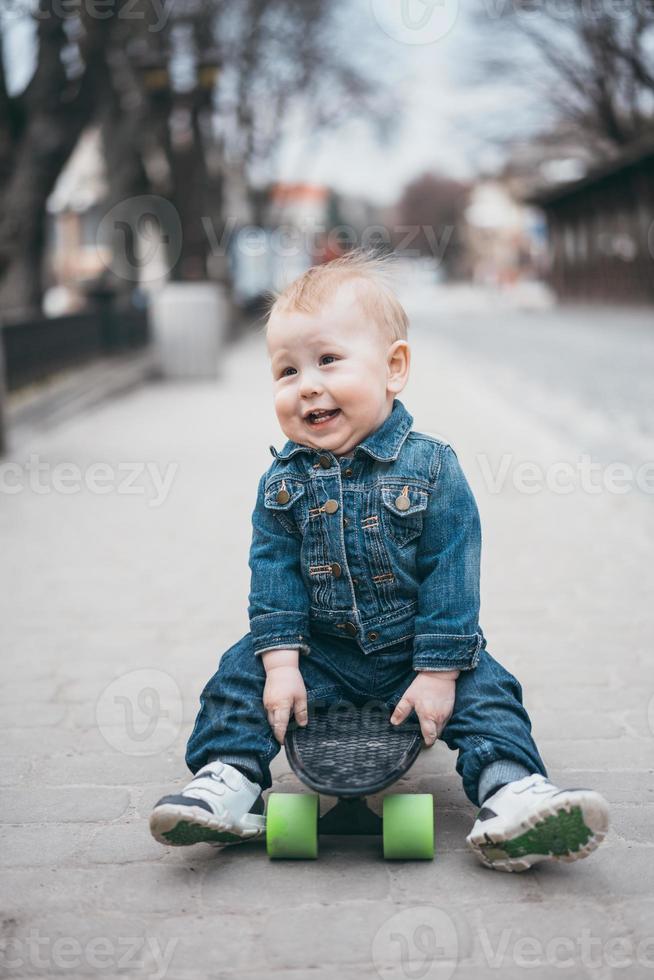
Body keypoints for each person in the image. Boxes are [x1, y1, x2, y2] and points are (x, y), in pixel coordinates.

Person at [149, 250, 609, 871]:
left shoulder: (432, 466)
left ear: (393, 369)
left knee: (489, 691)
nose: (306, 383)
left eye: (328, 360)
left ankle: (512, 794)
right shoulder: (279, 482)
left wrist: (440, 671)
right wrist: (281, 664)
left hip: (415, 653)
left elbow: (452, 569)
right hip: (320, 655)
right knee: (238, 677)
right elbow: (273, 576)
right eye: (286, 370)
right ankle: (228, 779)